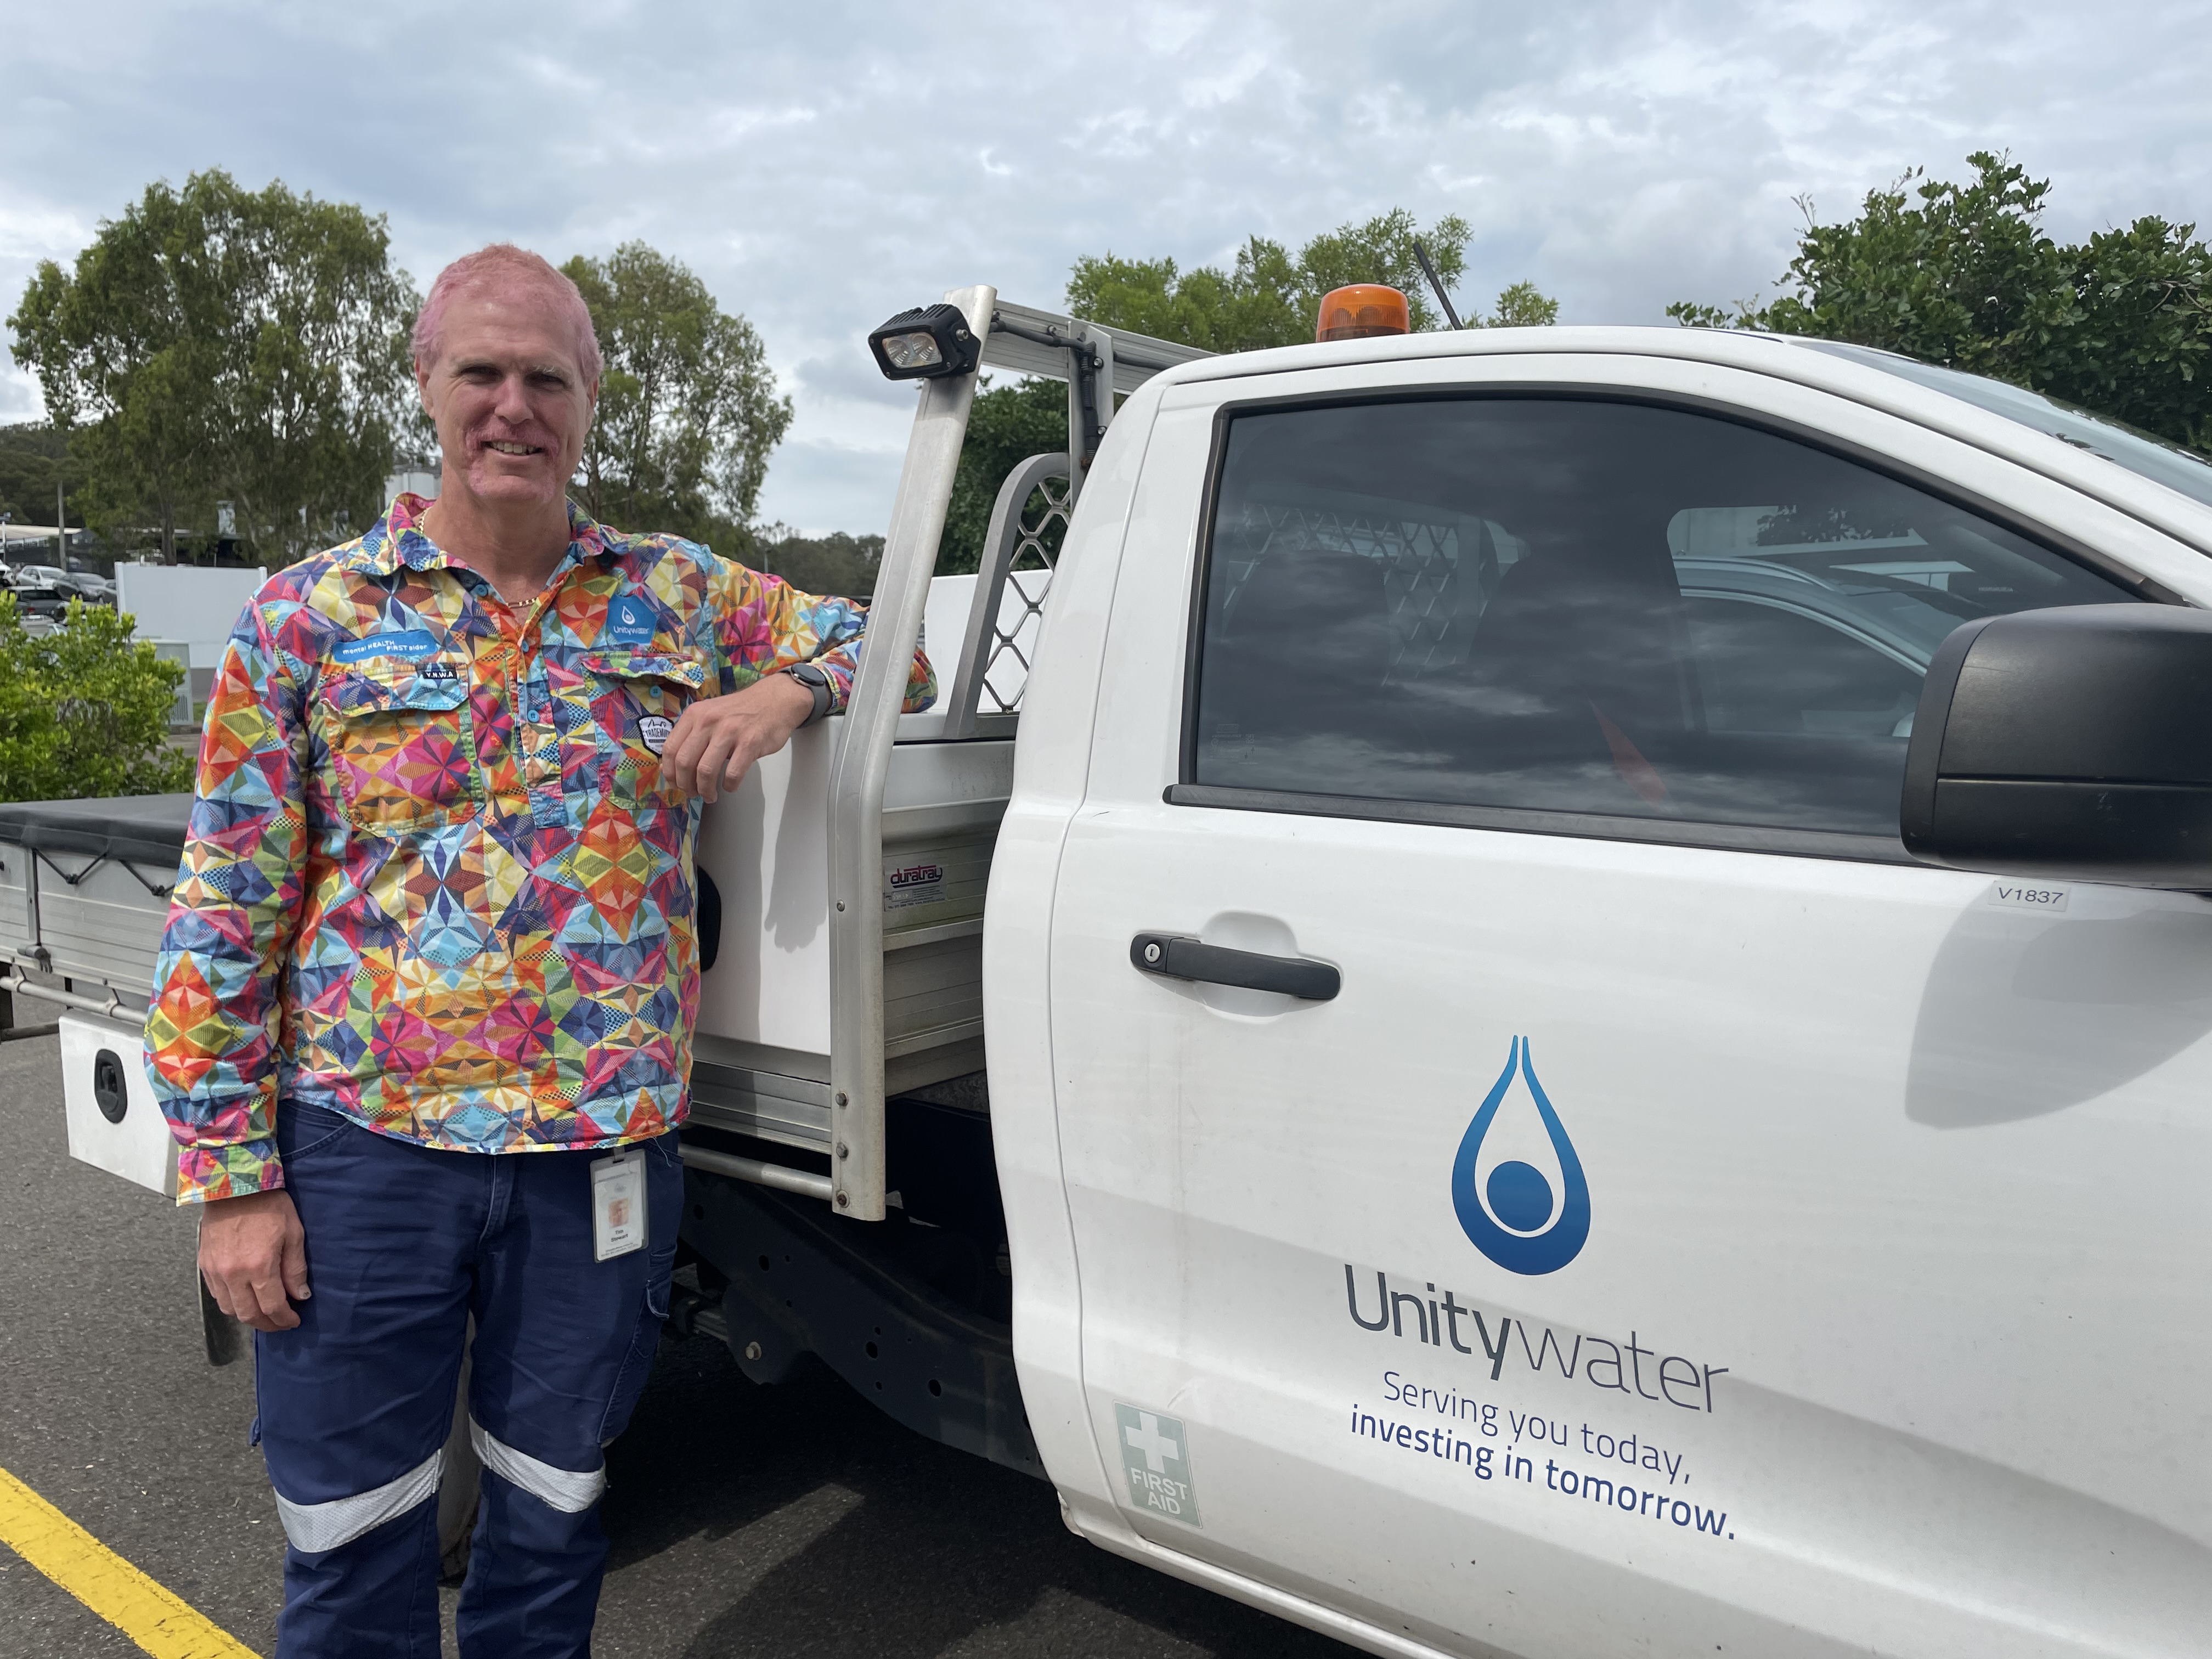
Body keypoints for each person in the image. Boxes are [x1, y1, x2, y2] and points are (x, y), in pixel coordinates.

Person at [145, 244, 933, 1658]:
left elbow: (897, 643)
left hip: (599, 1155)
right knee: (351, 1542)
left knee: (555, 1518)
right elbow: (223, 908)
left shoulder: (675, 596)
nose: (515, 406)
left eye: (547, 378)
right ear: (428, 385)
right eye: (483, 374)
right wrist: (230, 1183)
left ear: (588, 399)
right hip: (366, 1148)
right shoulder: (309, 617)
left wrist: (782, 690)